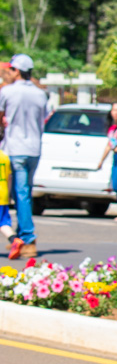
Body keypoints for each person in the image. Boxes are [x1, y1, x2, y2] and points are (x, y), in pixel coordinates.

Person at [0, 54, 47, 259]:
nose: (9, 73)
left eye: (10, 70)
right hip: (34, 149)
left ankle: (27, 237)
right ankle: (21, 236)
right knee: (24, 193)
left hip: (15, 148)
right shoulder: (40, 94)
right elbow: (42, 120)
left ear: (16, 71)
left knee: (20, 194)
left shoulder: (8, 92)